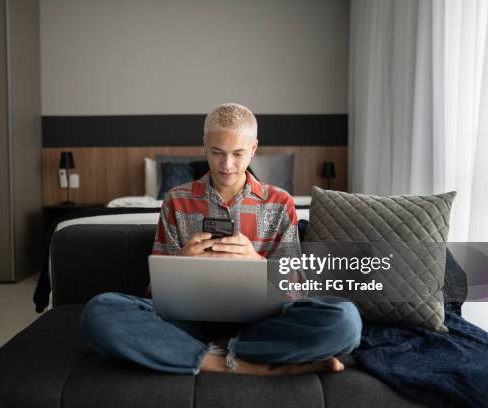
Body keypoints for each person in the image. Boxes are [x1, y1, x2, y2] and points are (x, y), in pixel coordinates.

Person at [80, 103, 362, 376]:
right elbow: (156, 293)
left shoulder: (279, 202)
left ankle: (207, 351)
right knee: (99, 311)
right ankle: (241, 365)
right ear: (204, 145)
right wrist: (182, 263)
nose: (227, 165)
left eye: (238, 153)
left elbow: (294, 291)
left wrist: (256, 262)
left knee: (345, 321)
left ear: (253, 149)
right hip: (188, 321)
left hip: (262, 324)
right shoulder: (177, 200)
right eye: (217, 152)